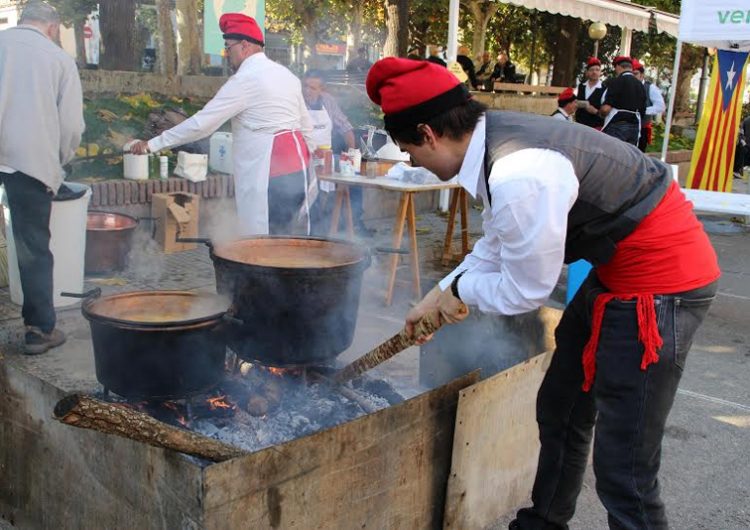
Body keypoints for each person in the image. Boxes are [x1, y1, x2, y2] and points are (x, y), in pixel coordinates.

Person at [365, 57, 720, 530]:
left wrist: (461, 292)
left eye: (411, 152)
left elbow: (526, 288)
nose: (416, 165)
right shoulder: (495, 141)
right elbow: (499, 241)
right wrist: (440, 293)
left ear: (428, 132)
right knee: (562, 408)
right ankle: (543, 523)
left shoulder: (520, 171)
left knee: (625, 464)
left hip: (661, 284)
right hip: (615, 272)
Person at [130, 14, 314, 236]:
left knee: (265, 243)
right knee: (287, 237)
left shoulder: (245, 80)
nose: (227, 55)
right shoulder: (286, 75)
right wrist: (315, 163)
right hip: (299, 172)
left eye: (229, 48)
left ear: (245, 46)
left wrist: (153, 144)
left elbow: (202, 124)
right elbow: (306, 126)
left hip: (270, 172)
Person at [0, 1, 84, 355]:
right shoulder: (59, 60)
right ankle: (39, 331)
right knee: (33, 246)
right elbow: (71, 127)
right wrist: (59, 162)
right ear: (52, 27)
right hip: (29, 161)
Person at [302, 70, 372, 236]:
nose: (307, 91)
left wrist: (352, 153)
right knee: (314, 187)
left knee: (353, 179)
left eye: (312, 88)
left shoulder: (328, 101)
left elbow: (345, 127)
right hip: (303, 156)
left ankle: (353, 223)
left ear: (322, 89)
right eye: (305, 86)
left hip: (326, 155)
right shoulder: (297, 102)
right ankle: (316, 232)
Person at [599, 56, 647, 146]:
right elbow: (643, 110)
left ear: (618, 67)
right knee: (629, 157)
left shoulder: (616, 82)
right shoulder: (640, 85)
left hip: (617, 125)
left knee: (613, 155)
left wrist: (601, 113)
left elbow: (606, 109)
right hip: (635, 127)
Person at [632, 58, 667, 153]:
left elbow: (660, 106)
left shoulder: (650, 88)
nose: (632, 77)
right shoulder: (626, 87)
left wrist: (643, 110)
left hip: (642, 128)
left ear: (642, 75)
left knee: (639, 154)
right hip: (627, 127)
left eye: (635, 74)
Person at [575, 57, 605, 129]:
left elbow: (605, 110)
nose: (594, 72)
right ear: (587, 72)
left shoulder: (604, 89)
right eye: (591, 70)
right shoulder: (581, 86)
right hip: (580, 124)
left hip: (596, 126)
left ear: (600, 72)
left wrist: (595, 111)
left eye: (597, 70)